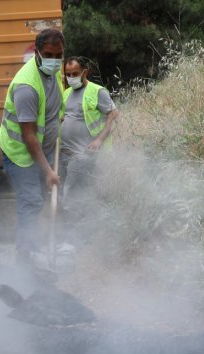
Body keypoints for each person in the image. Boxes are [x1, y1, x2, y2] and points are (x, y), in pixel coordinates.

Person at [0, 28, 64, 270]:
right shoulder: (27, 87)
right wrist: (48, 171)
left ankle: (32, 246)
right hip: (21, 154)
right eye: (49, 55)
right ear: (37, 53)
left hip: (42, 148)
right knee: (31, 200)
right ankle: (25, 258)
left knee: (39, 198)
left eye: (58, 55)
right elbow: (29, 137)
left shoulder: (53, 73)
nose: (54, 60)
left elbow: (54, 107)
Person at [59, 56, 118, 231]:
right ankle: (86, 226)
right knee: (80, 188)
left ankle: (72, 229)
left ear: (85, 72)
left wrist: (99, 140)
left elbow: (113, 115)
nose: (71, 77)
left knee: (71, 189)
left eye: (75, 73)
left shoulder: (97, 91)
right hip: (66, 152)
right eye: (68, 74)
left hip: (85, 152)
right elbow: (65, 117)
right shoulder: (67, 93)